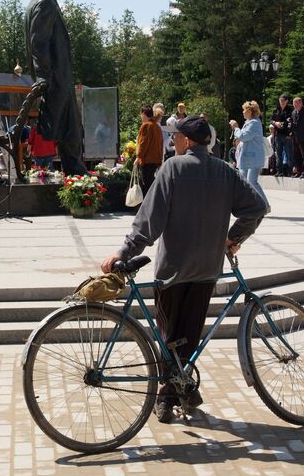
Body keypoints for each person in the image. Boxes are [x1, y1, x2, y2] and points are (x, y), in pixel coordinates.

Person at [101, 115, 267, 424]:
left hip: (174, 269)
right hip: (207, 267)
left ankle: (167, 398)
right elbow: (258, 207)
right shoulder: (225, 171)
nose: (172, 141)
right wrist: (233, 238)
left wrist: (122, 253)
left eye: (175, 136)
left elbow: (148, 224)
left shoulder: (173, 168)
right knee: (189, 335)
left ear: (187, 141)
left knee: (168, 335)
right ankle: (184, 389)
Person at [25, 0, 87, 176]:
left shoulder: (42, 1)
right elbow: (38, 44)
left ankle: (75, 173)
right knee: (71, 128)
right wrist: (45, 77)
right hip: (56, 80)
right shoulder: (45, 4)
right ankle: (76, 174)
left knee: (70, 129)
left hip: (58, 78)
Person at [229, 101, 270, 212]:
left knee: (252, 182)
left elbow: (244, 136)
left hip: (253, 158)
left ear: (250, 111)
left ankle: (265, 205)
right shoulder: (250, 122)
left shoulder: (254, 123)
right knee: (245, 183)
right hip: (248, 158)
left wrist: (236, 127)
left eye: (244, 109)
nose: (243, 112)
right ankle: (250, 205)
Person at [134, 105, 163, 196]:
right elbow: (160, 144)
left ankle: (149, 206)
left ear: (144, 114)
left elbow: (143, 143)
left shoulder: (146, 125)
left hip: (147, 160)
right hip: (155, 160)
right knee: (151, 183)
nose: (140, 116)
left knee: (147, 185)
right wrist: (160, 161)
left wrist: (138, 157)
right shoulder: (157, 127)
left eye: (141, 114)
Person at [270, 94, 294, 177]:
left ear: (287, 101)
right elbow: (271, 120)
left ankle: (289, 172)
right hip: (278, 135)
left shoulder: (290, 110)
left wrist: (290, 133)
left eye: (283, 100)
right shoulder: (276, 110)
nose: (282, 102)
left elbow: (292, 122)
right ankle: (279, 171)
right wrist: (275, 123)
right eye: (281, 100)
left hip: (287, 135)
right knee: (278, 154)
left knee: (288, 154)